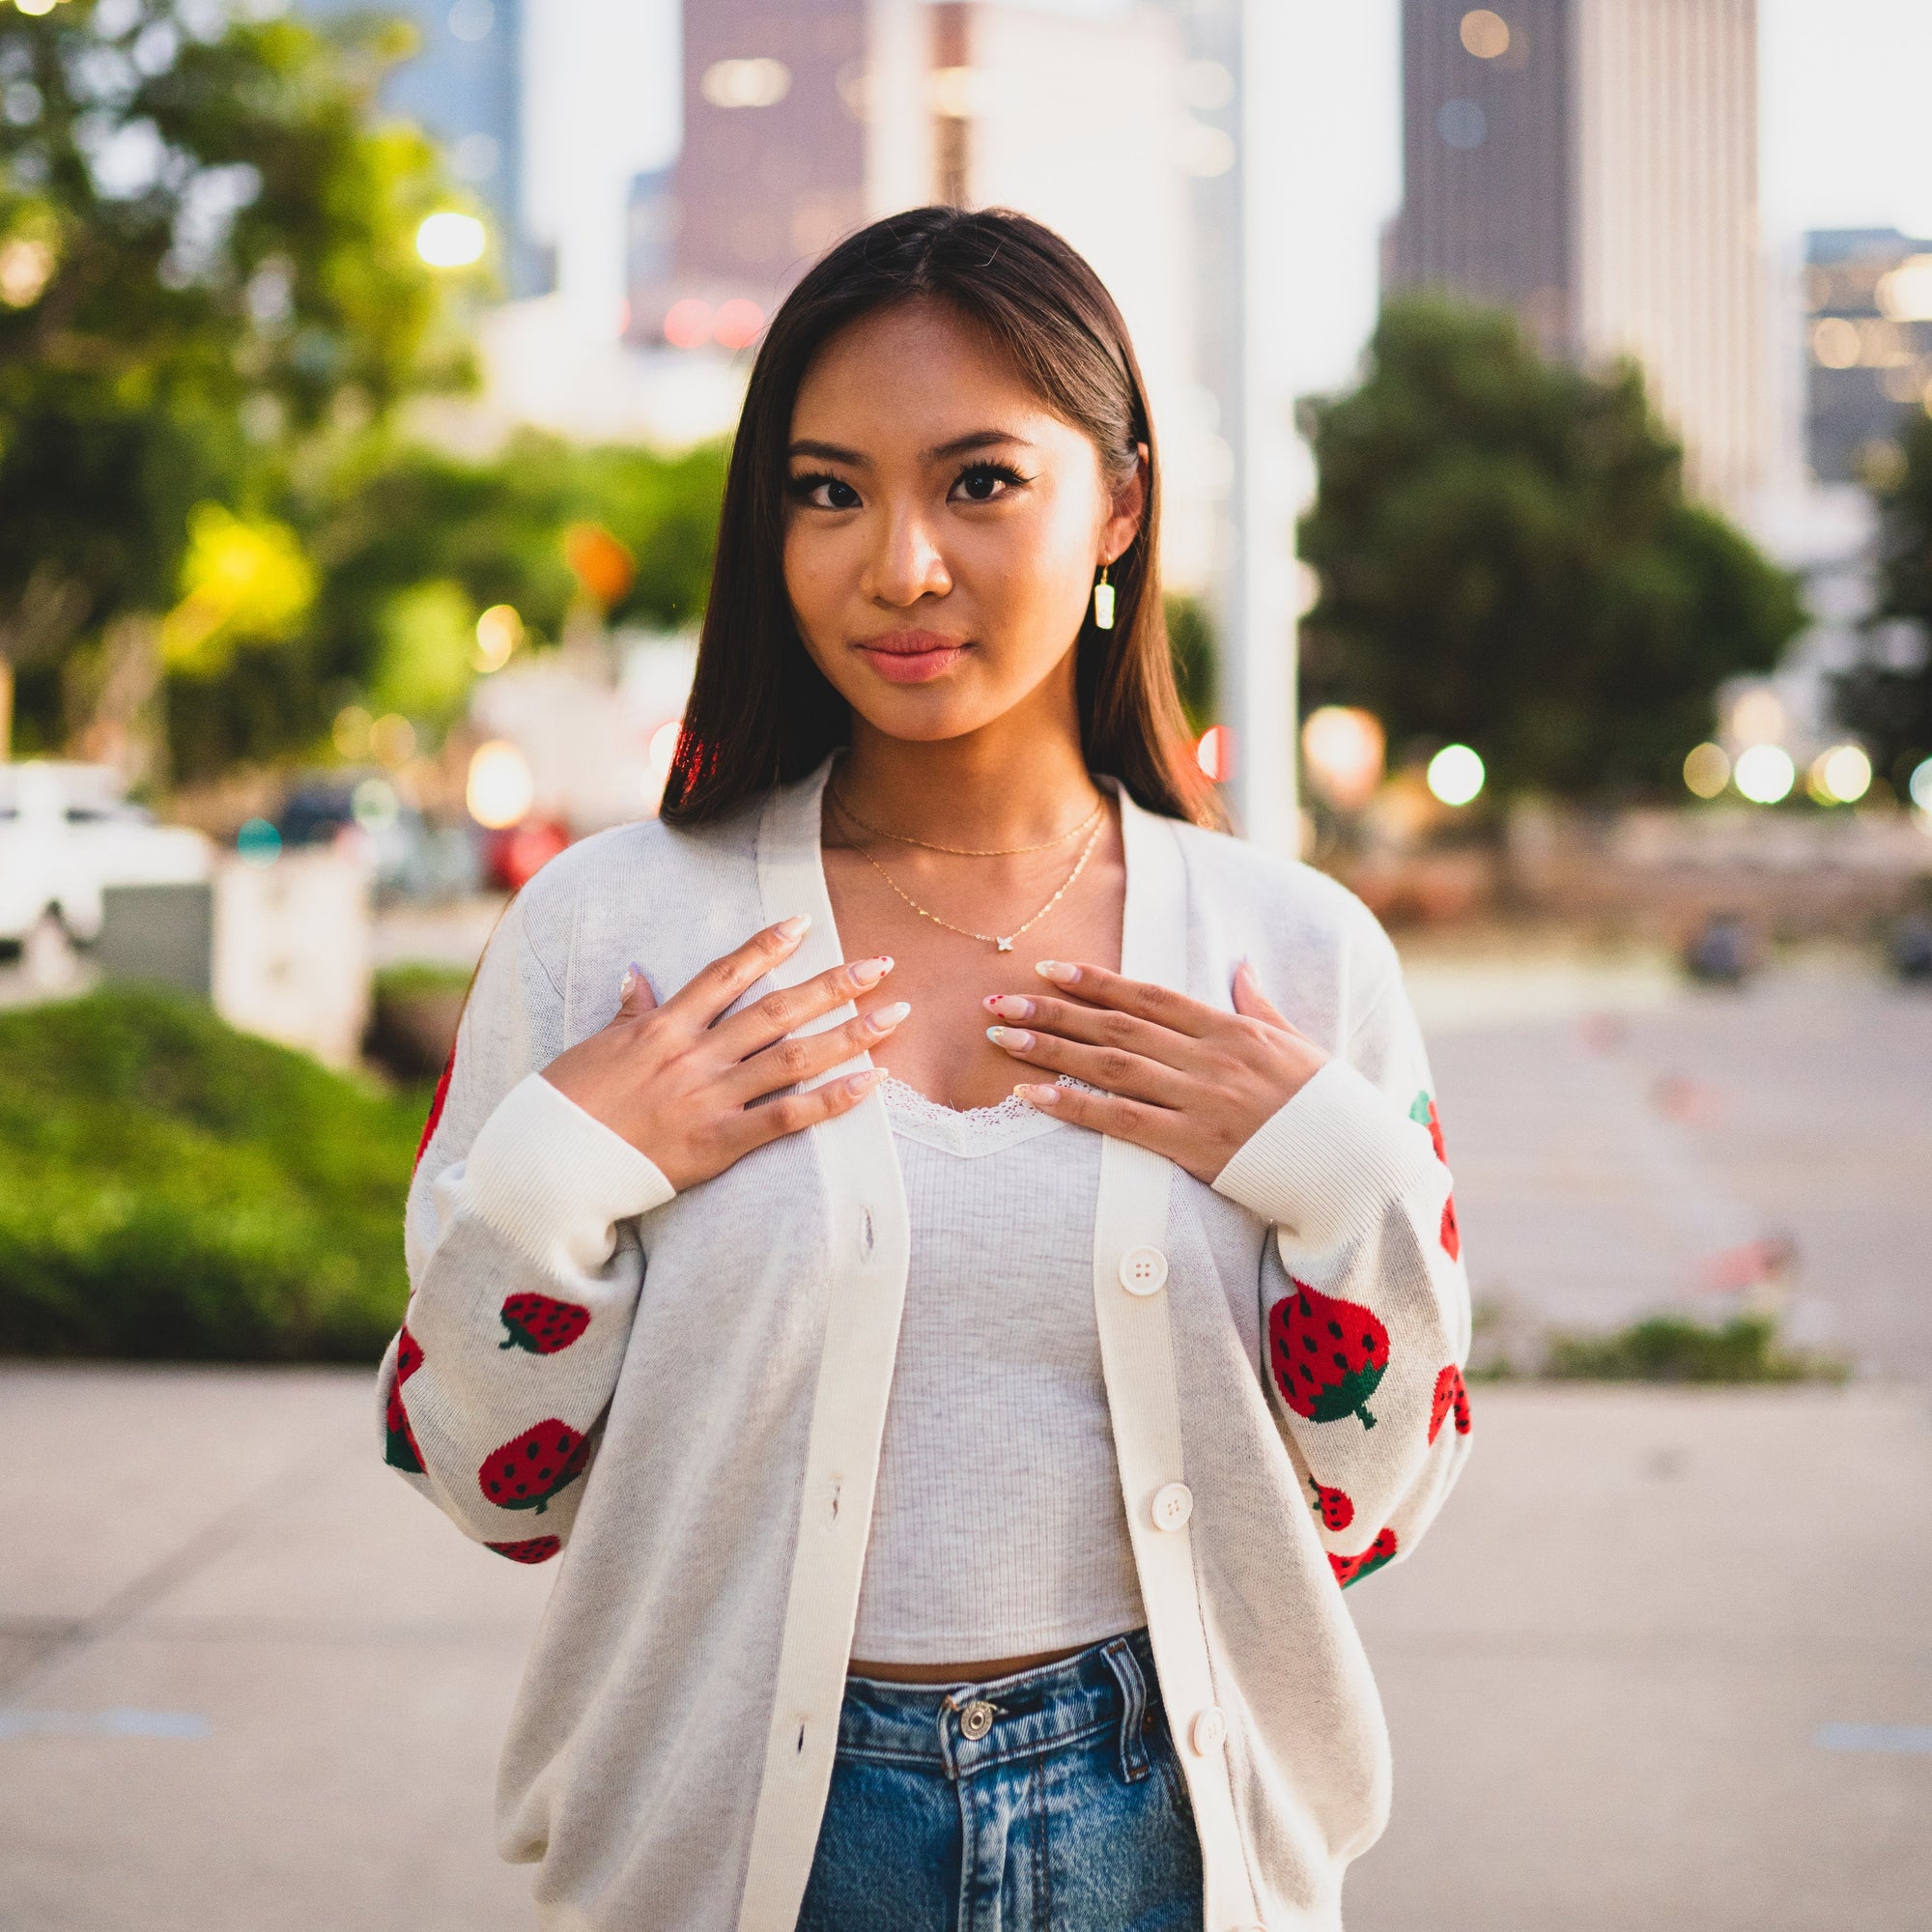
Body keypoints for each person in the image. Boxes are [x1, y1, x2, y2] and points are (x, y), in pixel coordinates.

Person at [381, 206, 1473, 1932]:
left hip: (1171, 1850)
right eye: (829, 490)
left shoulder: (1300, 951)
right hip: (735, 1849)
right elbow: (479, 1472)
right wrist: (565, 1173)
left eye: (980, 483)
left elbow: (1375, 1500)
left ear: (1117, 503)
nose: (898, 564)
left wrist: (1335, 1180)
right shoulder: (608, 938)